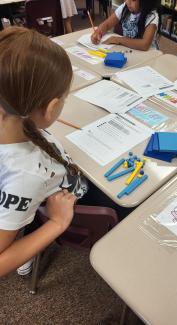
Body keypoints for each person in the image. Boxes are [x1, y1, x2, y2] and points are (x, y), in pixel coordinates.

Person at [0, 26, 88, 277]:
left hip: (46, 184)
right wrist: (57, 223)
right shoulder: (26, 175)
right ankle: (30, 239)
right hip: (64, 204)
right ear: (52, 108)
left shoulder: (12, 125)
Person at [91, 0, 159, 51]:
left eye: (133, 0)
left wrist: (118, 40)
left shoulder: (152, 16)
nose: (127, 2)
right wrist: (98, 32)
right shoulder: (125, 8)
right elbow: (107, 24)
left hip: (148, 55)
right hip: (129, 50)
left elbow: (145, 44)